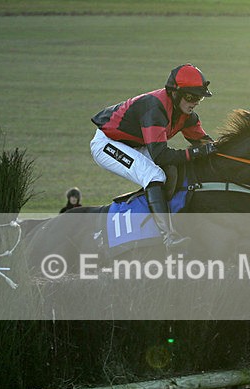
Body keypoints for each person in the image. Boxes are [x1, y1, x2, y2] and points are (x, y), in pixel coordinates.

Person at [90, 64, 217, 252]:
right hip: (107, 143)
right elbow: (161, 156)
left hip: (137, 144)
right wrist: (196, 153)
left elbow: (206, 144)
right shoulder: (155, 108)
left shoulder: (187, 115)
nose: (195, 102)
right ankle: (169, 238)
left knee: (171, 171)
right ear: (175, 93)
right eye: (191, 96)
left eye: (199, 98)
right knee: (154, 174)